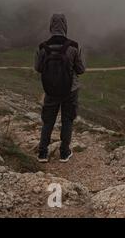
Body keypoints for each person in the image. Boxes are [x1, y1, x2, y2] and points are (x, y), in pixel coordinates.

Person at [34, 14, 86, 163]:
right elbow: (81, 69)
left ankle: (42, 153)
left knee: (48, 121)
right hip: (70, 90)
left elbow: (37, 68)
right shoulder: (73, 46)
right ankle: (64, 153)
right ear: (65, 26)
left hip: (50, 90)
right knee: (67, 120)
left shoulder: (42, 47)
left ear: (51, 26)